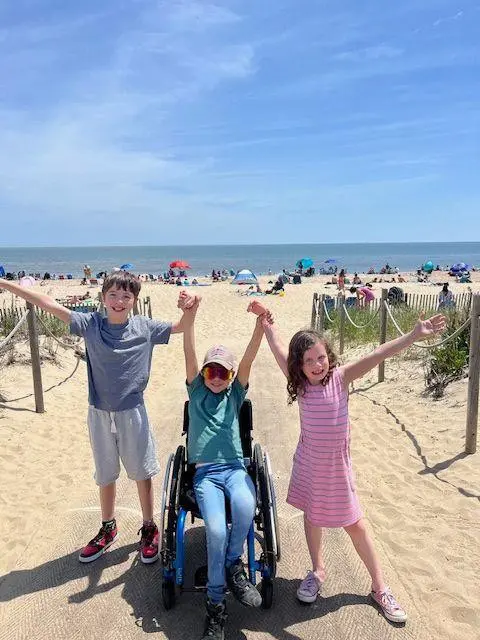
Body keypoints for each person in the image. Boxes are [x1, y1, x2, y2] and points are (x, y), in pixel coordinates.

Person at [260, 309, 446, 624]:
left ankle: (379, 587)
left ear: (328, 356)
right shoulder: (301, 385)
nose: (317, 365)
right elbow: (279, 350)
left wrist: (414, 335)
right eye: (309, 361)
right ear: (299, 367)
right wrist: (267, 328)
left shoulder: (341, 377)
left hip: (336, 467)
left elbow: (378, 353)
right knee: (313, 516)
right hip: (309, 463)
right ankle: (317, 571)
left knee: (355, 524)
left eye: (320, 358)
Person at [0, 272, 196, 565]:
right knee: (105, 474)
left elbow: (182, 326)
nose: (119, 301)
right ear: (103, 298)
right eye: (113, 295)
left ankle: (148, 526)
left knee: (142, 473)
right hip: (99, 413)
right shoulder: (91, 325)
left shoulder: (145, 327)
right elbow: (49, 304)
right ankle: (108, 527)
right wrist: (5, 284)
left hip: (133, 413)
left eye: (126, 296)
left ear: (134, 300)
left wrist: (191, 306)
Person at [181, 297, 267, 640]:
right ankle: (215, 605)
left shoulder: (235, 396)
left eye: (223, 372)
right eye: (210, 371)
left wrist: (260, 326)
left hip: (234, 469)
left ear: (232, 377)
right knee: (215, 530)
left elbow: (249, 358)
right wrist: (190, 316)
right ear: (202, 374)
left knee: (247, 505)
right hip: (205, 475)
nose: (216, 378)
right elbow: (187, 348)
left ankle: (233, 564)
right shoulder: (197, 393)